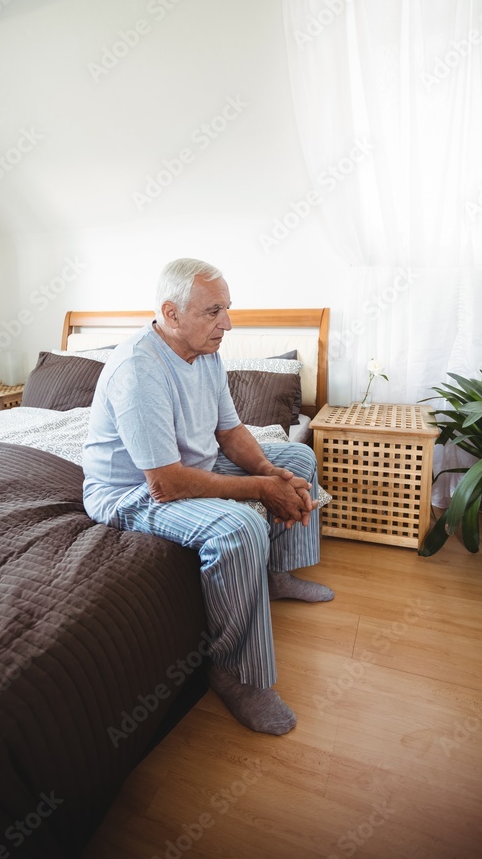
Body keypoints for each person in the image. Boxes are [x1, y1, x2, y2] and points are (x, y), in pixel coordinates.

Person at [82, 258, 333, 735]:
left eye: (228, 309)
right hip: (131, 489)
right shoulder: (139, 369)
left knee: (296, 461)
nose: (228, 323)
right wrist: (261, 490)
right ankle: (235, 673)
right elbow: (166, 485)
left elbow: (231, 429)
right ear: (171, 314)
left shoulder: (206, 351)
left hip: (186, 465)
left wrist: (269, 472)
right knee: (240, 527)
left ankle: (277, 575)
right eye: (214, 311)